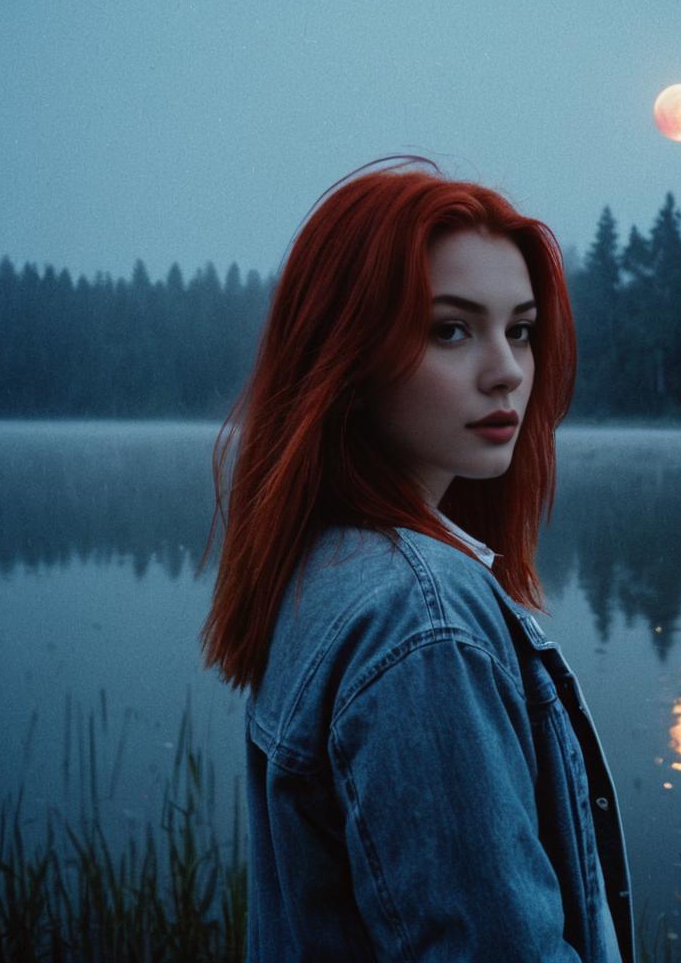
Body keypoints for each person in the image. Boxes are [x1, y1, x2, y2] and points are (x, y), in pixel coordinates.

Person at [201, 158, 634, 962]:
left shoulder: (327, 567)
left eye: (521, 329)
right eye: (451, 329)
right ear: (348, 358)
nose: (507, 369)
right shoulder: (421, 619)